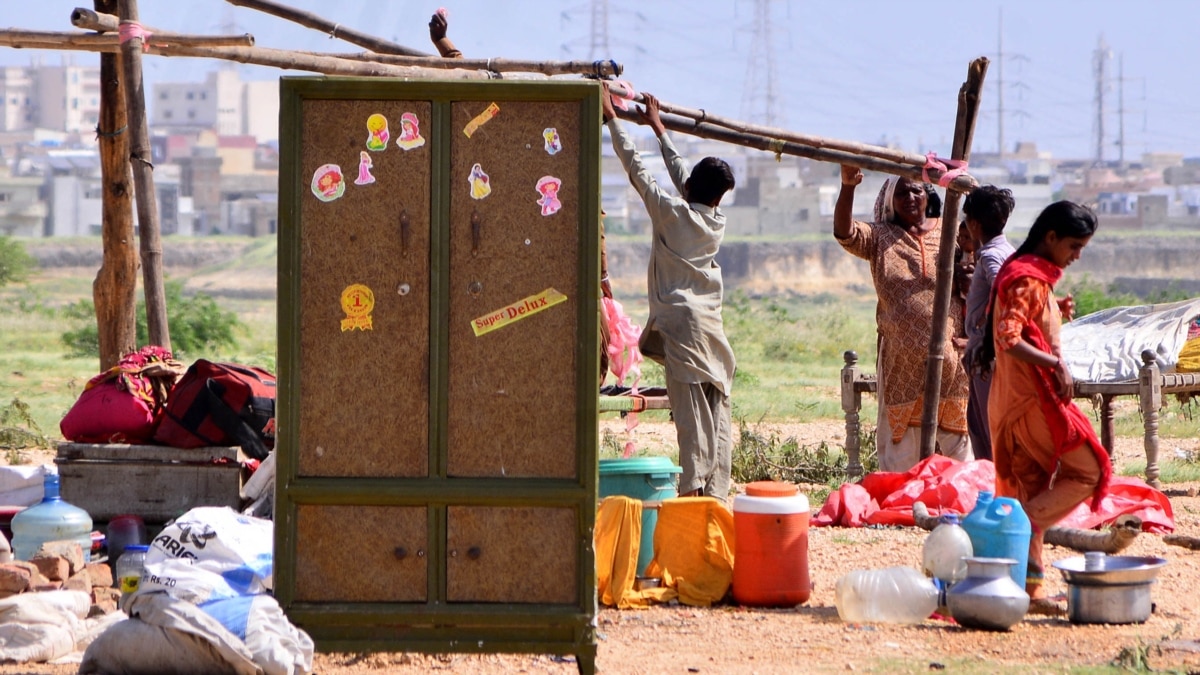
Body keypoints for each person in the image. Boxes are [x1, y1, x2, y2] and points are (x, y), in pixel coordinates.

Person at [601, 83, 737, 503]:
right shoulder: (713, 219)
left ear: (694, 190)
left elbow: (638, 171)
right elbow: (685, 179)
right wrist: (659, 128)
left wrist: (612, 119)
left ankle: (694, 494)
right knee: (716, 416)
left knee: (692, 418)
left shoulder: (673, 214)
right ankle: (715, 494)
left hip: (684, 331)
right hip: (711, 332)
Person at [979, 200, 1110, 612]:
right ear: (1050, 238)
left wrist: (1055, 309)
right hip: (1030, 406)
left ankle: (1027, 591)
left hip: (1015, 402)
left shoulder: (1034, 279)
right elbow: (1007, 337)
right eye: (1073, 246)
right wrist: (1056, 363)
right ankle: (1022, 525)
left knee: (1030, 488)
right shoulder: (1028, 279)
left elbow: (1024, 322)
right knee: (1089, 469)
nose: (1076, 256)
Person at [834, 166, 972, 472]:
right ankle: (903, 510)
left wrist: (968, 278)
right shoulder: (880, 237)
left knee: (958, 446)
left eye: (916, 190)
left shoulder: (950, 233)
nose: (910, 197)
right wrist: (848, 187)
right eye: (901, 192)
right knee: (901, 452)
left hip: (950, 359)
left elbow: (975, 279)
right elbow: (844, 233)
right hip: (900, 361)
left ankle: (956, 507)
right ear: (889, 201)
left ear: (927, 196)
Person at [962, 186, 1016, 461]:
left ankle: (1000, 496)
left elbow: (1004, 291)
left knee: (987, 431)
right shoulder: (1011, 251)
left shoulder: (990, 256)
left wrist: (984, 327)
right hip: (999, 355)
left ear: (973, 224)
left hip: (989, 356)